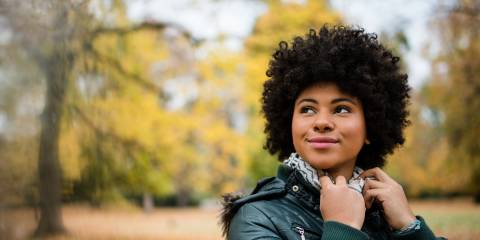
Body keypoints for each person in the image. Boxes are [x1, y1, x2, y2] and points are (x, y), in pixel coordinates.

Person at [220, 25, 446, 240]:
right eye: (307, 109)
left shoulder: (387, 213)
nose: (321, 122)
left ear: (371, 126)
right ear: (289, 124)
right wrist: (342, 228)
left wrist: (410, 228)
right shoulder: (256, 218)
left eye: (341, 109)